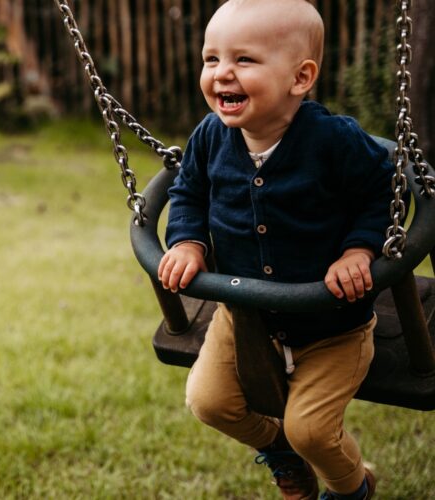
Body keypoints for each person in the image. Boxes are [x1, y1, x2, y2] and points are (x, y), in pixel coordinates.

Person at [158, 0, 396, 498]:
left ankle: (352, 489)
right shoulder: (209, 137)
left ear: (300, 77)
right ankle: (283, 453)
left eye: (244, 60)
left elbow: (381, 191)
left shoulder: (334, 141)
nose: (222, 73)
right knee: (209, 403)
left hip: (334, 324)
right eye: (211, 59)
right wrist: (187, 240)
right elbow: (188, 192)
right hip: (246, 318)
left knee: (312, 428)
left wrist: (358, 251)